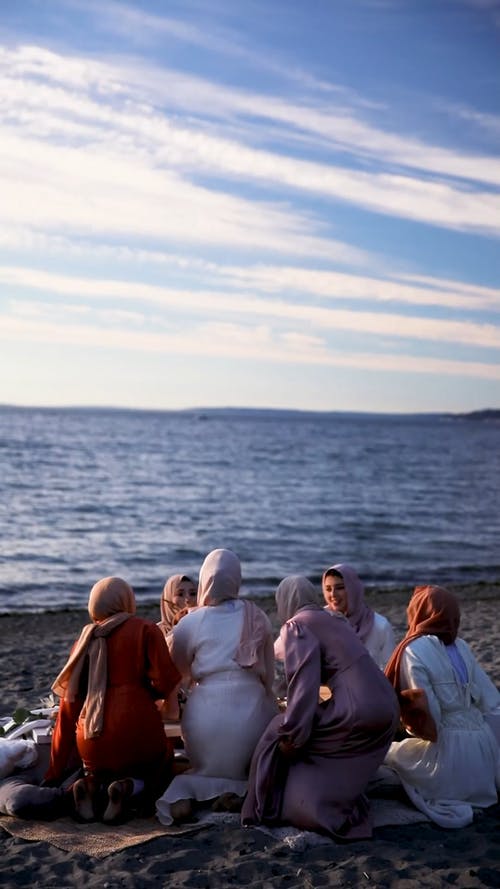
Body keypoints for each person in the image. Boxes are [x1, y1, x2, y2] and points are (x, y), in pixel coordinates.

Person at [241, 575, 399, 840]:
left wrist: (293, 733)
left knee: (277, 729)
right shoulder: (334, 619)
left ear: (285, 601)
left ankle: (261, 802)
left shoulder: (296, 625)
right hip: (386, 703)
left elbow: (304, 684)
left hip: (357, 708)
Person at [155, 549, 278, 825]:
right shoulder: (257, 616)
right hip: (252, 715)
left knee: (198, 768)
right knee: (249, 767)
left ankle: (189, 796)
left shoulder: (191, 622)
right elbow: (269, 677)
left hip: (205, 717)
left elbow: (175, 671)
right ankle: (238, 792)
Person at [45, 576, 181, 823]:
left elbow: (68, 709)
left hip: (90, 735)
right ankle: (127, 788)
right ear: (127, 599)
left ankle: (89, 785)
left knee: (98, 768)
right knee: (161, 767)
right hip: (136, 727)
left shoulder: (83, 640)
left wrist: (54, 772)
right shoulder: (145, 629)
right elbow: (165, 680)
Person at [384, 584, 500, 829]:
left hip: (448, 754)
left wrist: (409, 730)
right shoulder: (463, 646)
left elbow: (430, 717)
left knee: (392, 759)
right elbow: (490, 700)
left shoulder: (413, 650)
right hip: (483, 752)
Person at [322, 563, 395, 669]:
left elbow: (390, 669)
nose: (333, 594)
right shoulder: (320, 621)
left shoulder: (380, 626)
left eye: (340, 588)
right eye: (328, 589)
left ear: (353, 589)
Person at [158, 574, 198, 640]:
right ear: (168, 597)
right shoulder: (155, 632)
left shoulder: (204, 628)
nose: (187, 599)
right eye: (180, 594)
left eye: (193, 594)